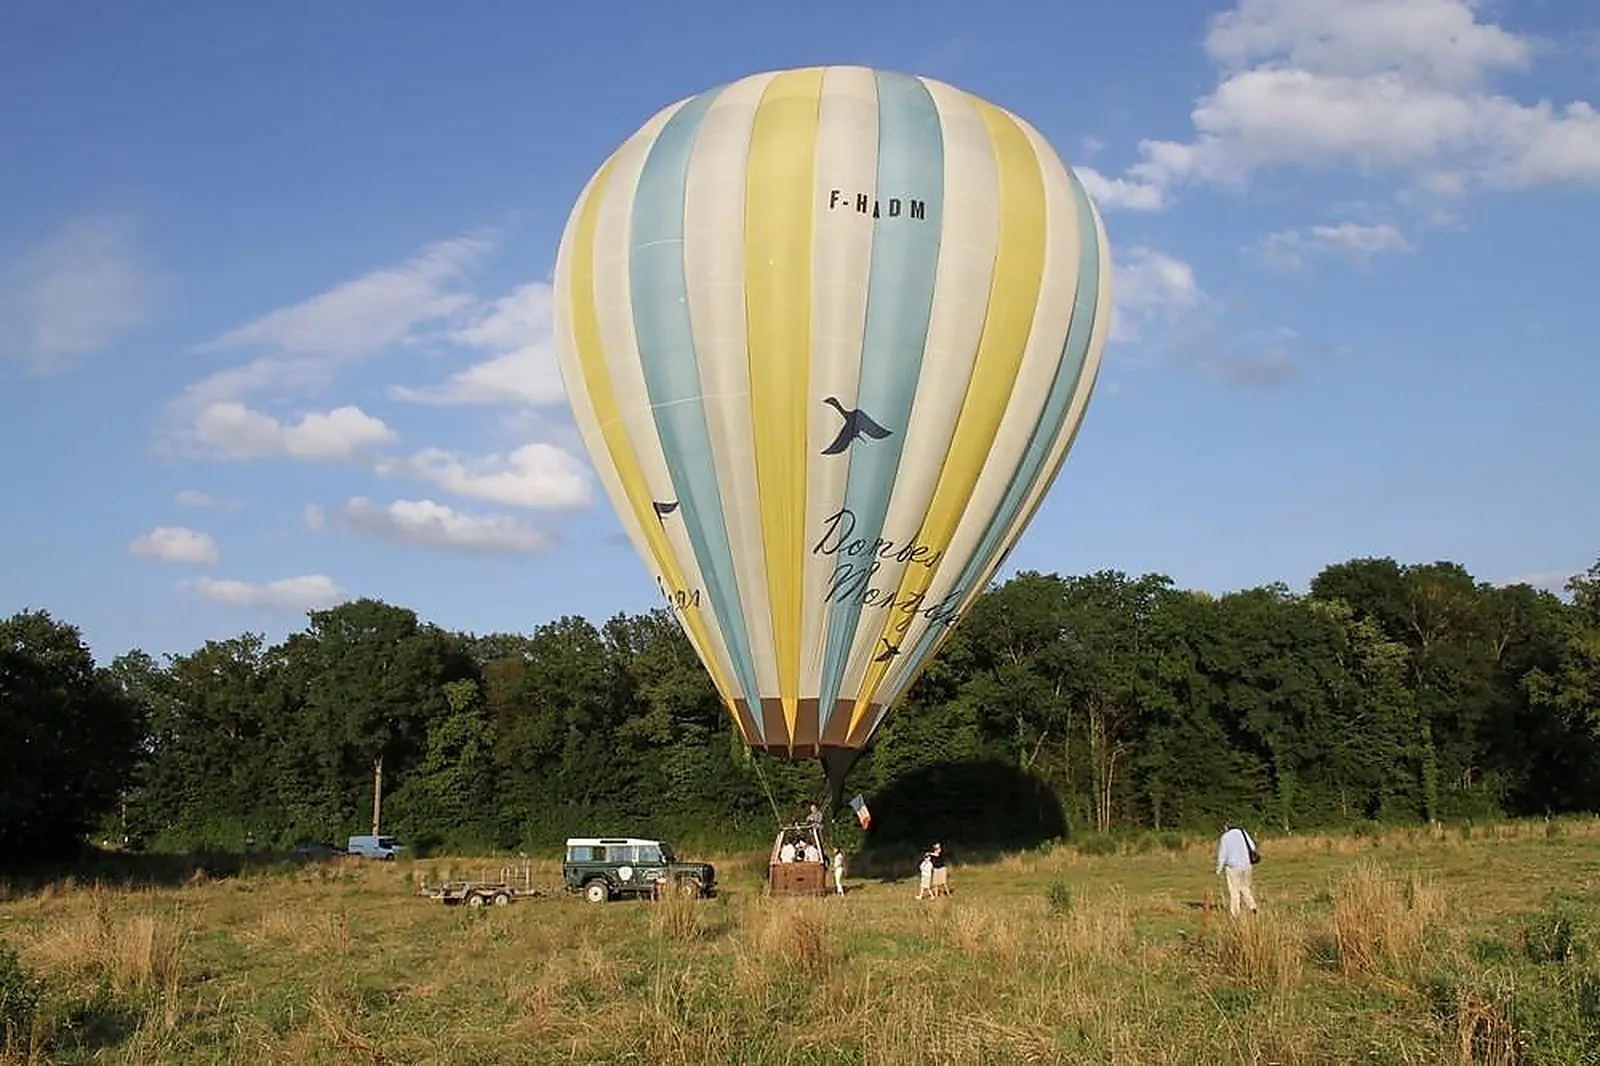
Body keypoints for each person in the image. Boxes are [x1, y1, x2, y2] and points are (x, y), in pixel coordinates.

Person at [1214, 820, 1259, 917]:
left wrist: (1218, 869)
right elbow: (1253, 846)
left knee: (1234, 891)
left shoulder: (1225, 837)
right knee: (1245, 887)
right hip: (1247, 865)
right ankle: (1252, 907)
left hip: (1233, 867)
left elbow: (1222, 854)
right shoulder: (1243, 833)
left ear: (1226, 827)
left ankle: (1235, 913)